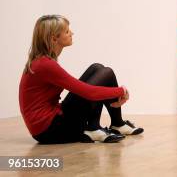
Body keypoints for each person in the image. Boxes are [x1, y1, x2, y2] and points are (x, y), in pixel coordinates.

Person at [19, 15, 144, 144]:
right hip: (51, 131)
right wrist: (121, 91)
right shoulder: (45, 64)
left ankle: (107, 125)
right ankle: (103, 126)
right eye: (67, 31)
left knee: (97, 68)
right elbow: (89, 92)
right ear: (54, 38)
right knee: (106, 73)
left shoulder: (42, 61)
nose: (71, 33)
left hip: (50, 123)